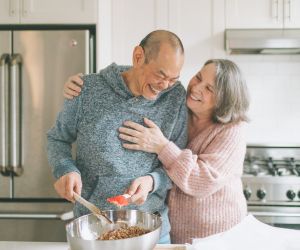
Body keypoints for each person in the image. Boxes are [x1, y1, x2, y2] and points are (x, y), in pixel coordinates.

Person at [64, 59, 250, 244]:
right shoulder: (181, 107)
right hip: (174, 231)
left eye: (209, 89)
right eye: (199, 77)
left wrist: (162, 147)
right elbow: (143, 75)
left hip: (218, 235)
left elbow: (202, 180)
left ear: (225, 100)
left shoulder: (233, 130)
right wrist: (87, 84)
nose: (196, 88)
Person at [47, 30, 188, 244]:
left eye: (173, 79)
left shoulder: (175, 97)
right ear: (138, 56)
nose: (165, 86)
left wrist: (152, 181)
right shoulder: (87, 89)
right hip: (93, 230)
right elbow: (58, 139)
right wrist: (65, 170)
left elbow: (178, 163)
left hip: (152, 231)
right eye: (160, 75)